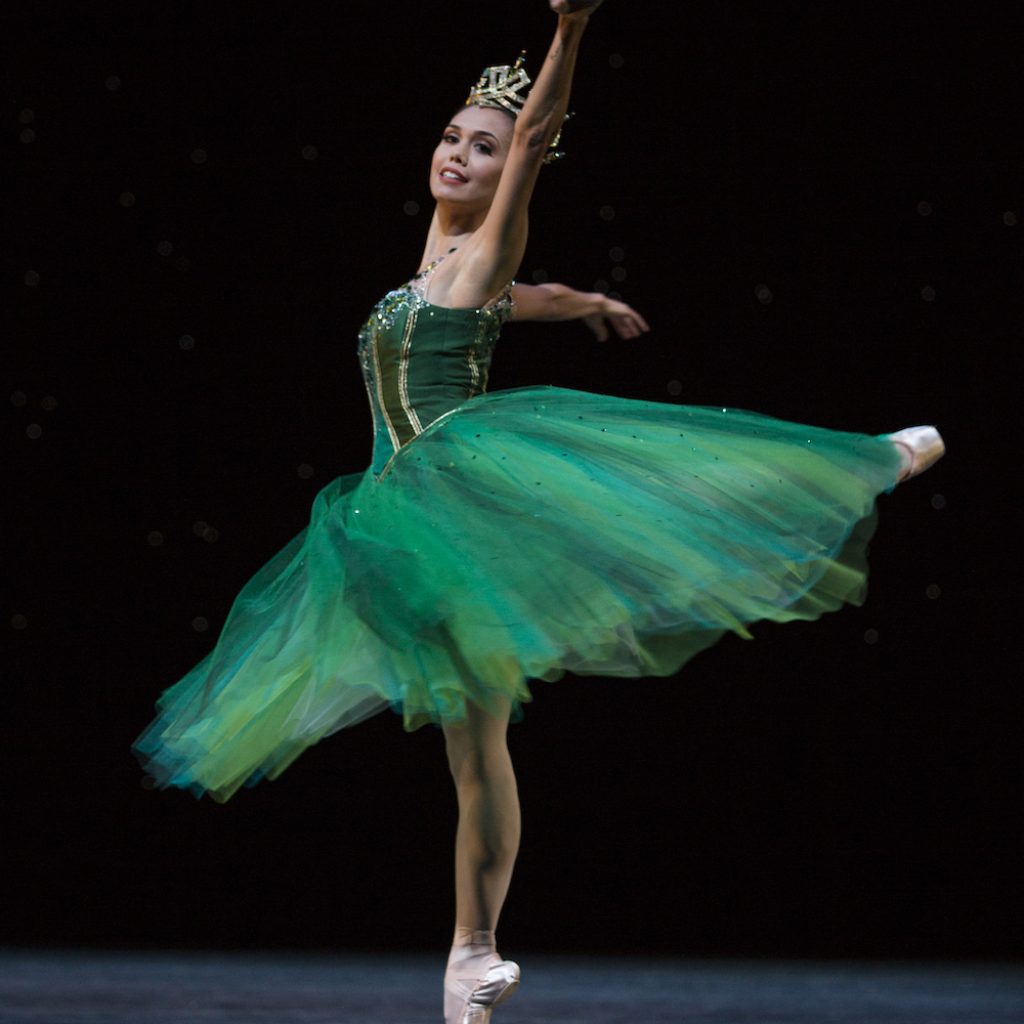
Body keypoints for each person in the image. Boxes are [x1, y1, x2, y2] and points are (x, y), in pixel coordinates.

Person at [132, 2, 945, 1021]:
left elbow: (527, 159)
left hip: (454, 502)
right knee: (471, 747)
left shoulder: (486, 239)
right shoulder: (435, 261)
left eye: (483, 147)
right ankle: (467, 958)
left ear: (516, 159)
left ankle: (863, 462)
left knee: (629, 523)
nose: (459, 156)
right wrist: (587, 303)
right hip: (388, 523)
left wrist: (570, 27)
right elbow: (521, 296)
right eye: (450, 136)